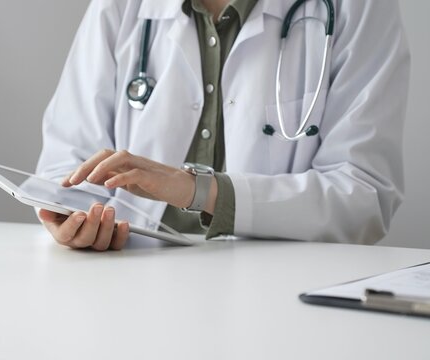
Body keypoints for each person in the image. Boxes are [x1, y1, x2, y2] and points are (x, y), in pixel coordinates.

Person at [35, 0, 410, 251]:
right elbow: (66, 162)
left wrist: (200, 191)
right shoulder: (119, 7)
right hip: (130, 278)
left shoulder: (356, 8)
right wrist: (74, 219)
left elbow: (363, 196)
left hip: (278, 289)